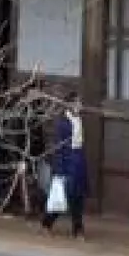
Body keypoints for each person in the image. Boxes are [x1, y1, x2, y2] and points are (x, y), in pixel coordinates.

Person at [40, 99, 90, 238]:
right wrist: (60, 170)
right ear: (70, 105)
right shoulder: (63, 123)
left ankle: (77, 228)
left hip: (78, 159)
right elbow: (59, 147)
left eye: (80, 103)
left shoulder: (79, 119)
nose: (80, 105)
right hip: (67, 161)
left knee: (78, 195)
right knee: (64, 194)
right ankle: (47, 223)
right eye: (77, 103)